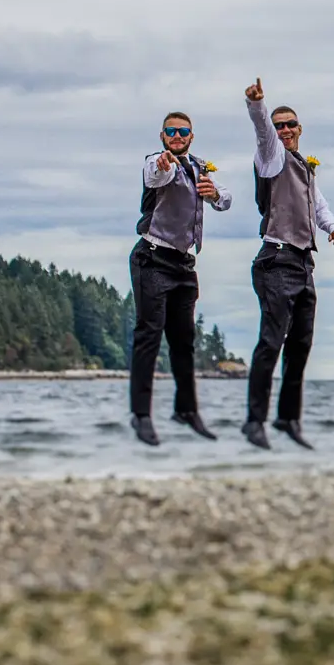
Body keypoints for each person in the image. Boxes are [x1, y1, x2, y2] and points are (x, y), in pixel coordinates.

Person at [241, 78, 334, 451]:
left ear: (300, 129)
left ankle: (288, 418)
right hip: (276, 259)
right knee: (271, 341)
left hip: (303, 264)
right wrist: (257, 106)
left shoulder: (305, 166)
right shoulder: (271, 157)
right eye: (279, 124)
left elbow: (318, 207)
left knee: (301, 344)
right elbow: (262, 133)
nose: (284, 130)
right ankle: (254, 421)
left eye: (290, 124)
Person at [129, 111, 232, 446]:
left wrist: (215, 194)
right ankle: (141, 415)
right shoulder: (156, 163)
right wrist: (164, 165)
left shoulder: (202, 167)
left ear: (191, 135)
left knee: (184, 342)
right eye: (170, 131)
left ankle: (187, 410)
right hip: (153, 258)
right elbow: (156, 176)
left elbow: (226, 199)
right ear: (162, 136)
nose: (176, 135)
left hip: (184, 266)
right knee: (149, 335)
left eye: (182, 131)